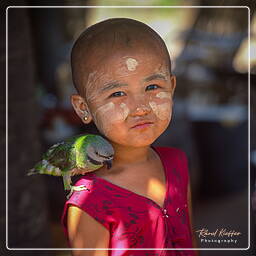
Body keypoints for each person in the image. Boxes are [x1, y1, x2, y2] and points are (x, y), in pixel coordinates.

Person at [62, 18, 198, 256]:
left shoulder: (176, 163)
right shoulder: (89, 203)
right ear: (83, 108)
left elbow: (189, 241)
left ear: (172, 87)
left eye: (153, 87)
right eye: (118, 93)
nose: (140, 107)